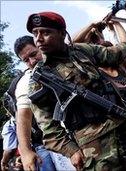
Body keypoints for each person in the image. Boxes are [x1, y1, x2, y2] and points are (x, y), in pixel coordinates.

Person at [26, 11, 126, 170]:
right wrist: (71, 151)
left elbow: (112, 55)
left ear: (62, 33)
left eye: (46, 32)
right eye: (35, 33)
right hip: (93, 146)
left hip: (123, 126)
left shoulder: (81, 51)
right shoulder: (40, 77)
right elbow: (48, 127)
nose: (38, 39)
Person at [13, 35, 75, 171]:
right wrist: (25, 151)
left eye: (33, 54)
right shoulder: (26, 81)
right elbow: (23, 116)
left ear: (40, 46)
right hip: (65, 143)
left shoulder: (66, 60)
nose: (32, 61)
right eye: (26, 60)